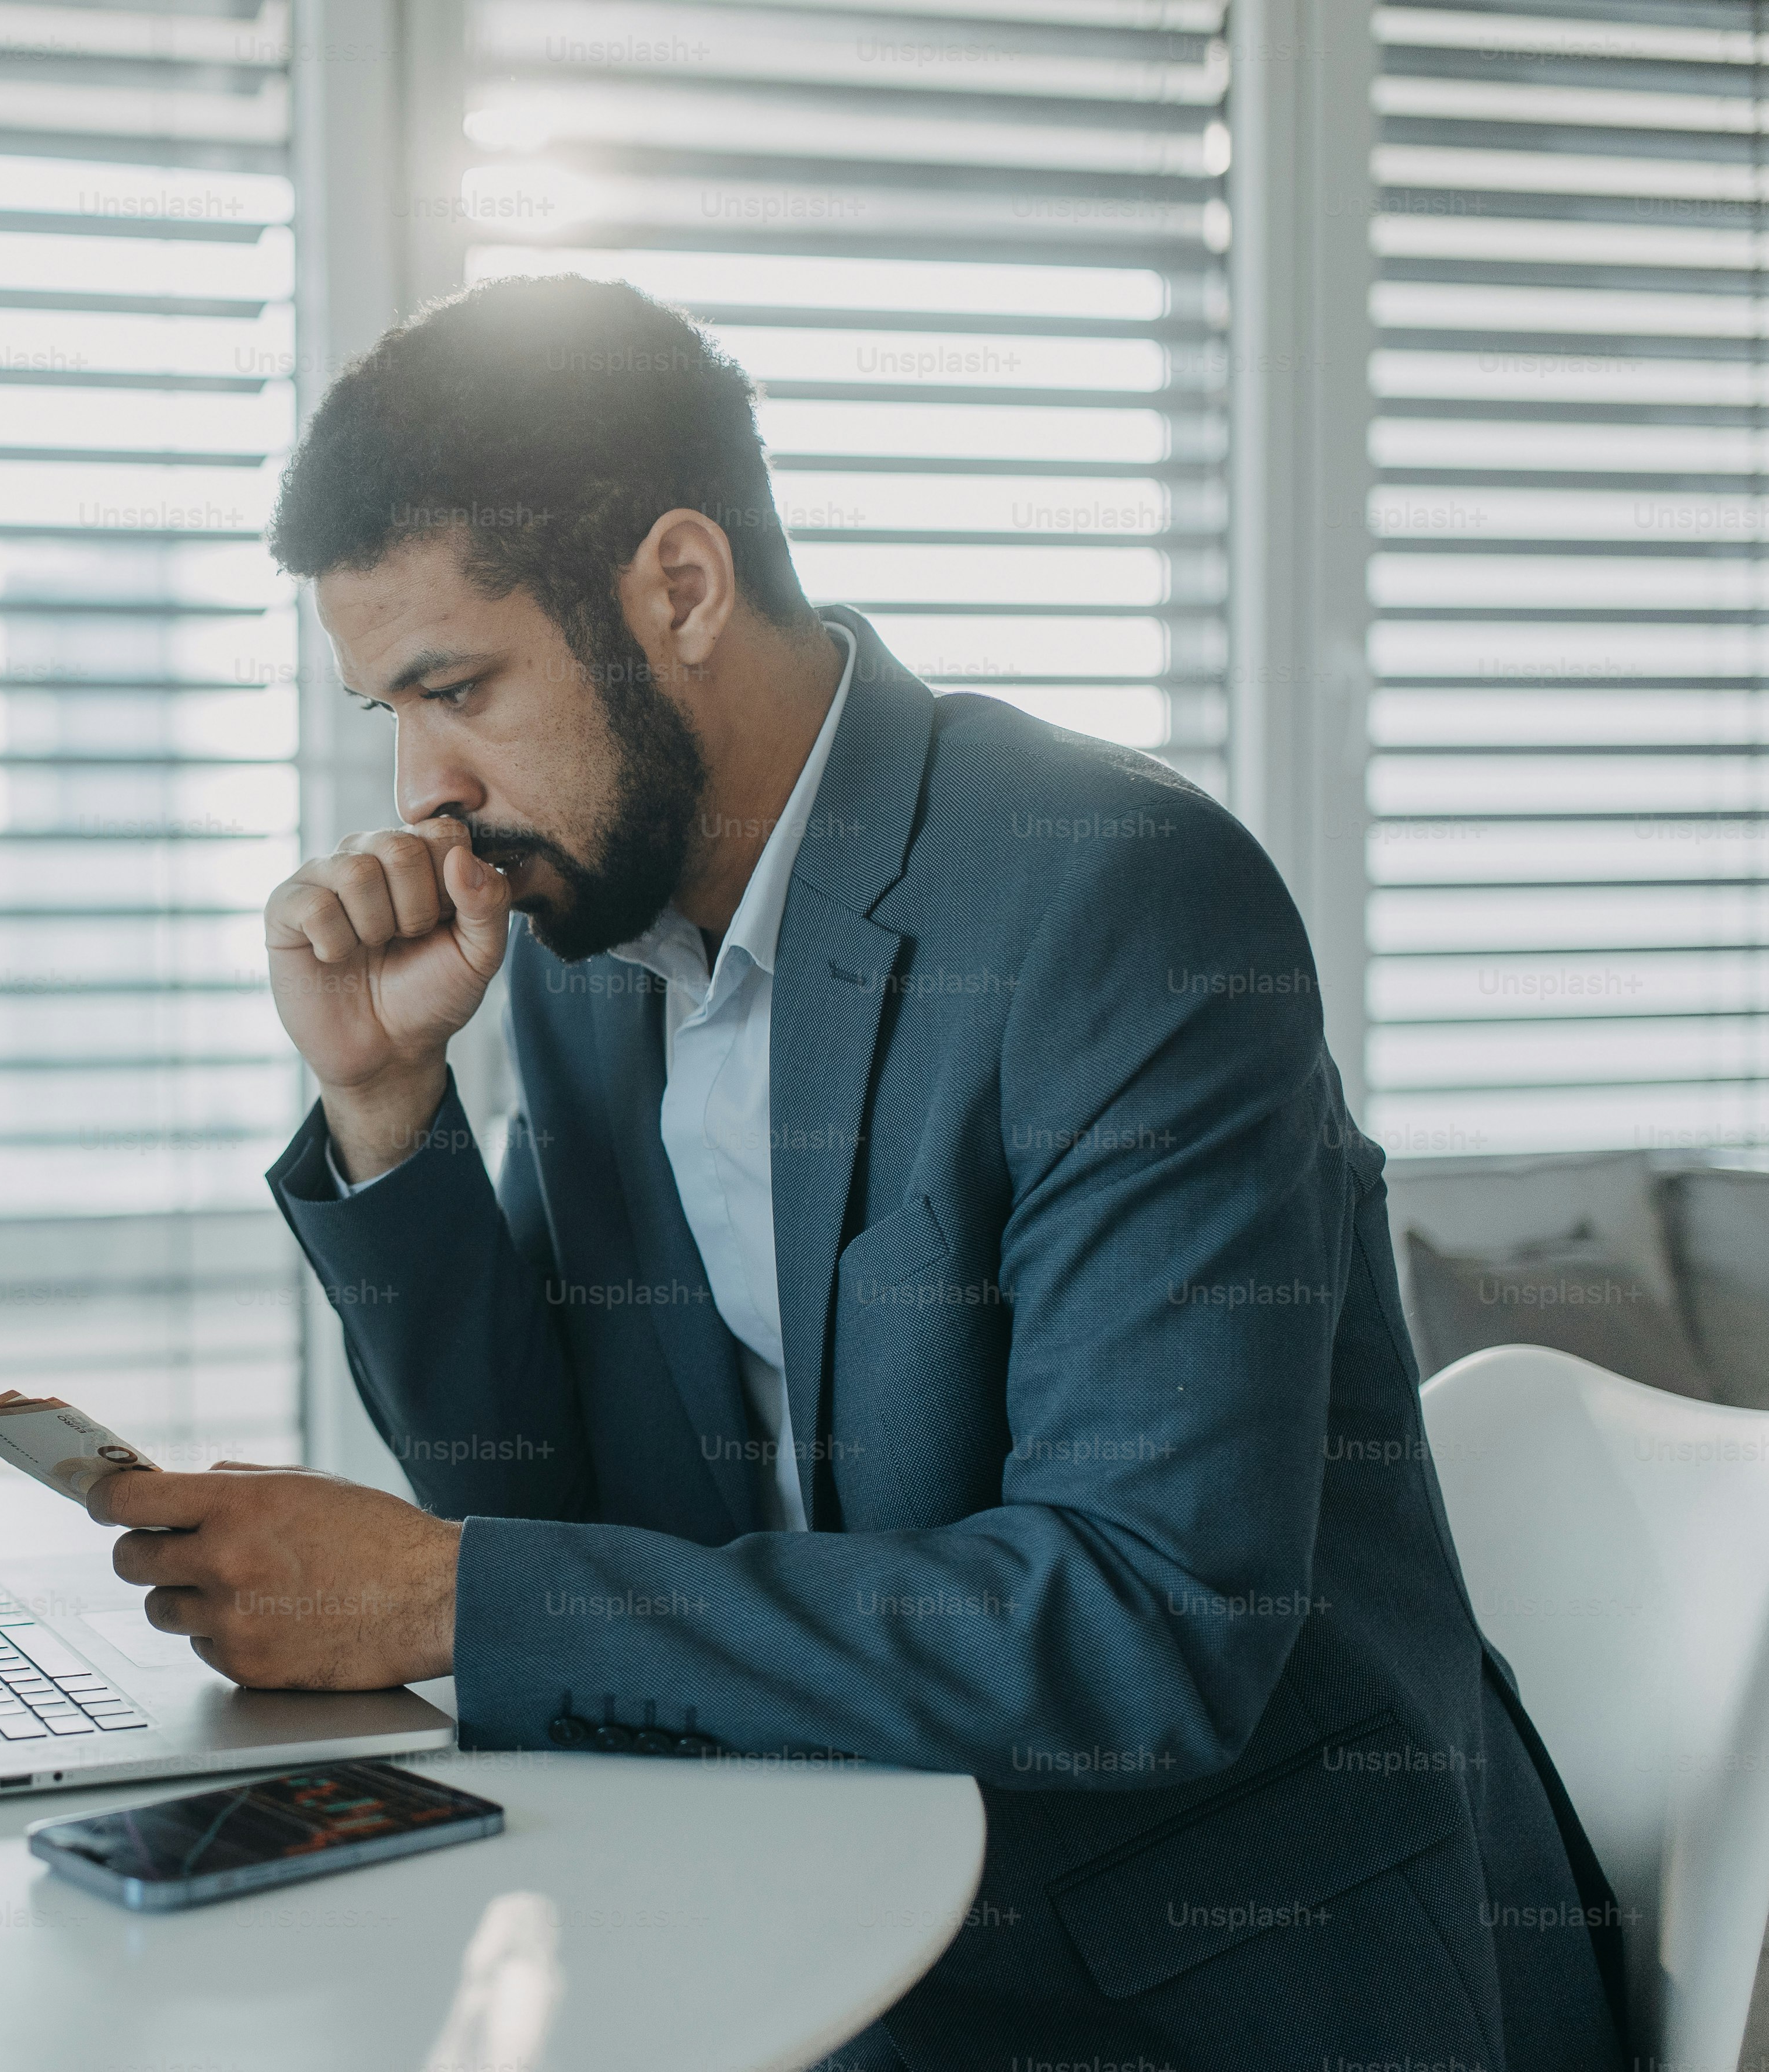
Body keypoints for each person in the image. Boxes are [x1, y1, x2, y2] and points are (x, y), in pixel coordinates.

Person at [83, 274, 1625, 2071]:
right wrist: (382, 1101)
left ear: (675, 588)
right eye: (388, 715)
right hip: (817, 1872)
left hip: (1200, 1970)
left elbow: (1144, 1629)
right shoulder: (595, 940)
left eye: (460, 688)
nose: (423, 795)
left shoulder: (1110, 899)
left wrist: (441, 1597)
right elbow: (551, 1498)